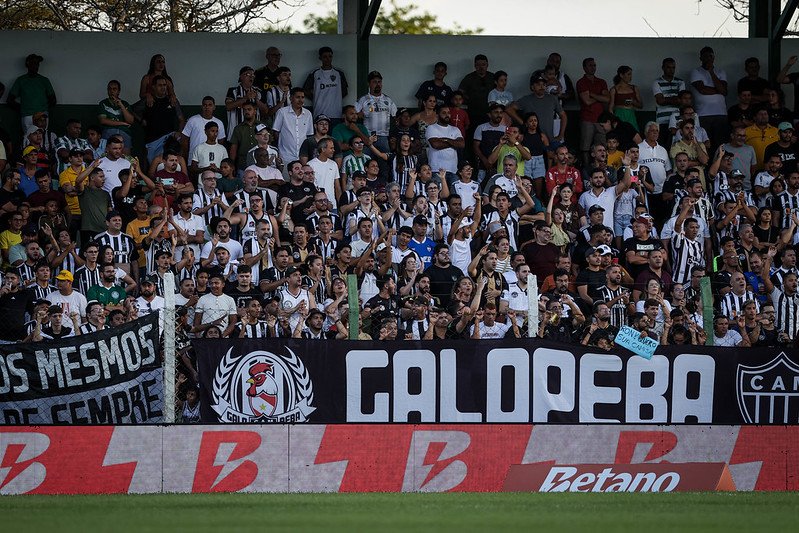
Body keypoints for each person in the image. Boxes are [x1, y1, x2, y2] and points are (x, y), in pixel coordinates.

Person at [690, 46, 729, 154]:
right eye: (705, 56)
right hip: (703, 114)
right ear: (700, 58)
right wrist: (719, 90)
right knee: (705, 144)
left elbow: (724, 91)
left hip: (721, 113)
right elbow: (702, 90)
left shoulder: (720, 72)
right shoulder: (696, 72)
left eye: (710, 56)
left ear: (714, 57)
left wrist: (711, 72)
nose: (708, 58)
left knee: (720, 144)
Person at [6, 53, 56, 130]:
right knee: (28, 136)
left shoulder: (44, 80)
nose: (36, 66)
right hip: (28, 116)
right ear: (27, 64)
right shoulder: (21, 80)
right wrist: (24, 109)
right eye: (33, 63)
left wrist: (43, 110)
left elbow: (53, 100)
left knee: (42, 136)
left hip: (42, 116)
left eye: (37, 64)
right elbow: (10, 100)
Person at [576, 57, 610, 165]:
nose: (593, 67)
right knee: (585, 147)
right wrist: (600, 97)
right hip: (587, 118)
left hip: (601, 119)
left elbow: (607, 99)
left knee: (602, 147)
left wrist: (592, 94)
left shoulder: (601, 82)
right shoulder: (581, 82)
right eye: (590, 65)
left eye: (594, 65)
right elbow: (587, 101)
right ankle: (587, 168)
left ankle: (602, 168)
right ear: (584, 67)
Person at [303, 46, 349, 122]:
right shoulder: (315, 73)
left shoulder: (339, 73)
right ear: (320, 58)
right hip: (319, 112)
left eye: (330, 56)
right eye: (325, 57)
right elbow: (305, 90)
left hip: (336, 113)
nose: (328, 59)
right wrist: (317, 99)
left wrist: (334, 98)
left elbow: (345, 92)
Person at [355, 71, 397, 154]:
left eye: (379, 82)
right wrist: (357, 114)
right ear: (369, 84)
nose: (377, 84)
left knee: (385, 160)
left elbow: (395, 116)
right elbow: (352, 113)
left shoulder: (388, 100)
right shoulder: (363, 99)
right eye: (374, 82)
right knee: (367, 159)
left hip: (384, 136)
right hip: (368, 136)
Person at [272, 87, 314, 165]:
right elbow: (276, 132)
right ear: (291, 98)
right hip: (285, 156)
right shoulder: (282, 112)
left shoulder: (308, 114)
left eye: (302, 97)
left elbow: (309, 135)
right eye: (298, 97)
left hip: (302, 157)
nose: (300, 100)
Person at [182, 96, 226, 163]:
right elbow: (184, 139)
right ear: (201, 107)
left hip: (213, 160)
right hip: (194, 159)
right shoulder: (193, 120)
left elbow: (221, 141)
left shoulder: (219, 123)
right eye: (205, 105)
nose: (207, 107)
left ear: (214, 107)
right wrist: (187, 155)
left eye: (210, 105)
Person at [425, 106, 464, 183]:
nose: (447, 115)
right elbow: (436, 145)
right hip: (436, 170)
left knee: (454, 191)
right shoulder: (431, 128)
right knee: (437, 190)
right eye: (444, 113)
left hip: (453, 170)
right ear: (437, 115)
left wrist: (446, 140)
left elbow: (461, 144)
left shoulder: (455, 129)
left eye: (448, 113)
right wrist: (454, 142)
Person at [458, 54, 495, 130]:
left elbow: (499, 90)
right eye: (478, 65)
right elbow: (460, 93)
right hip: (473, 113)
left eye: (483, 65)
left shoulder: (493, 77)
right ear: (475, 66)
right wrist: (469, 99)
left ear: (487, 65)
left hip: (490, 112)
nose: (481, 67)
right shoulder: (469, 78)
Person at [608, 66, 642, 132]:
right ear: (621, 75)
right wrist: (613, 120)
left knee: (633, 133)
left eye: (631, 74)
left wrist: (633, 102)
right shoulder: (614, 89)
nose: (630, 77)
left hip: (631, 114)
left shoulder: (634, 88)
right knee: (620, 134)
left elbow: (641, 105)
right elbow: (610, 108)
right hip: (619, 114)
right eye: (628, 74)